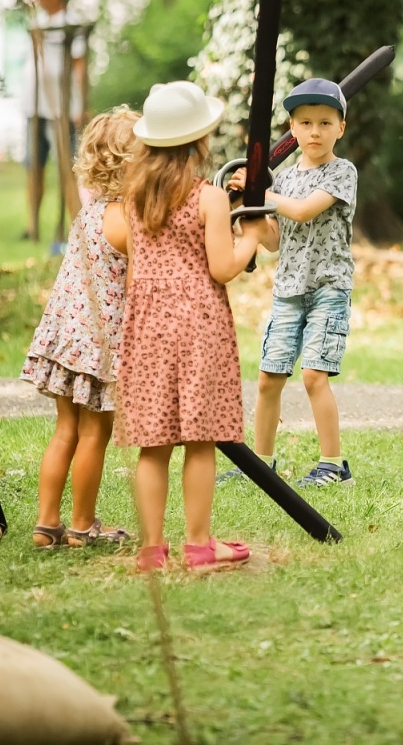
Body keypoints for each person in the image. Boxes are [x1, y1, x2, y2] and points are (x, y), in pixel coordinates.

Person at [111, 81, 259, 572]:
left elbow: (138, 266)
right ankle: (199, 544)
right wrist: (250, 236)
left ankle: (153, 550)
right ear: (199, 142)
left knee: (153, 444)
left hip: (148, 323)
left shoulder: (134, 199)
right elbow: (221, 266)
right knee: (200, 438)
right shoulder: (209, 198)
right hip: (199, 324)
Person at [23, 109, 139, 549]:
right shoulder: (128, 220)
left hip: (67, 337)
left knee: (65, 431)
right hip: (101, 346)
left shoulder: (89, 211)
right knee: (96, 433)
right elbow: (136, 289)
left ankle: (46, 522)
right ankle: (82, 524)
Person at [242, 78, 359, 489]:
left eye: (325, 123)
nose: (315, 131)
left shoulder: (343, 172)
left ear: (341, 128)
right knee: (269, 377)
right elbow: (275, 239)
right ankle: (260, 463)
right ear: (292, 129)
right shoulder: (286, 180)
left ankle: (333, 464)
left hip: (329, 288)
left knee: (313, 375)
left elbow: (306, 212)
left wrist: (263, 191)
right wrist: (250, 207)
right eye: (306, 122)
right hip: (288, 290)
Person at [24, 0, 87, 244]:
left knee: (68, 167)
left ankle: (77, 224)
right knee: (33, 166)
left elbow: (79, 68)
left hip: (61, 109)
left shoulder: (71, 24)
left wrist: (79, 105)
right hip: (34, 106)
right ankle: (32, 227)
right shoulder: (37, 23)